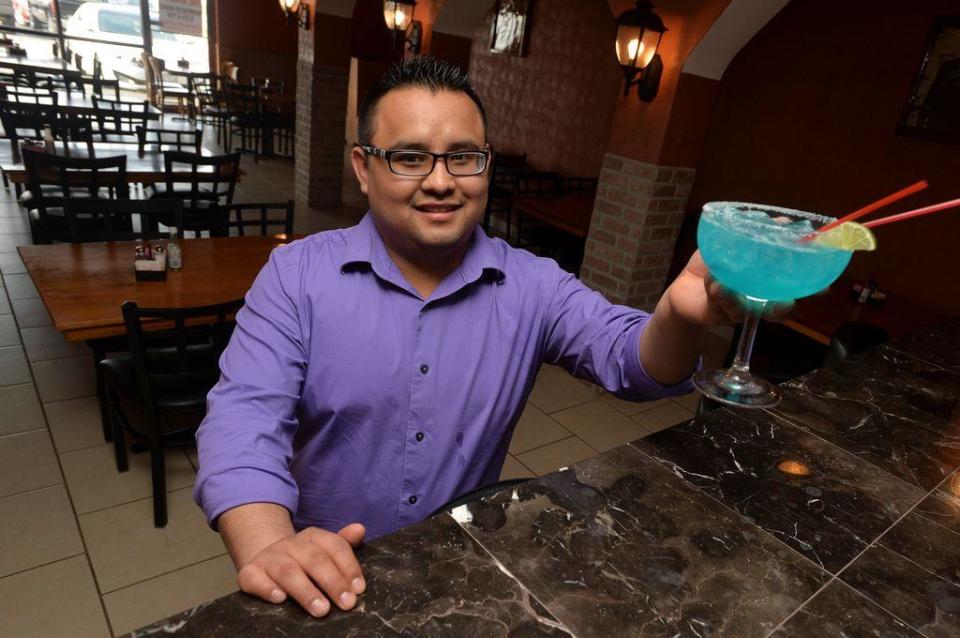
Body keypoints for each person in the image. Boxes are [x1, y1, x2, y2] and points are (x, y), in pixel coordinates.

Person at [193, 56, 786, 619]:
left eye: (463, 157)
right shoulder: (296, 276)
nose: (440, 182)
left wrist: (681, 315)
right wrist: (270, 543)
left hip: (456, 571)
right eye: (408, 158)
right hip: (319, 573)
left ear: (486, 163)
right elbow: (243, 419)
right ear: (363, 166)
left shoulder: (531, 283)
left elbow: (632, 363)